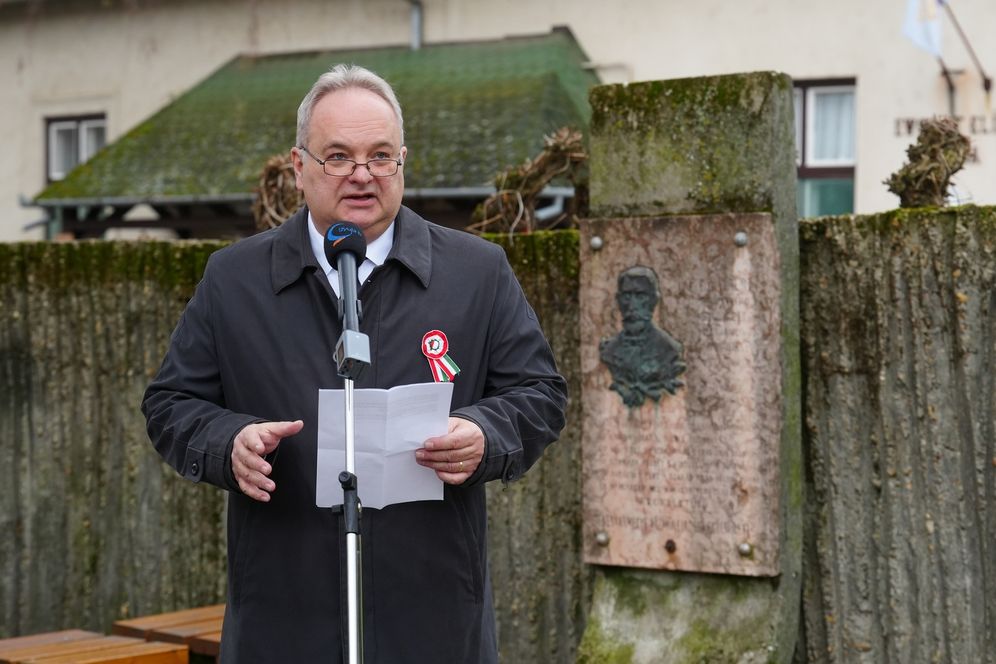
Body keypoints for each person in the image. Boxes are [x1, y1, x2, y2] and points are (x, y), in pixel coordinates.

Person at [141, 63, 567, 663]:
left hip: (433, 617)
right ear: (299, 167)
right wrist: (227, 443)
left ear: (403, 163)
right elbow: (170, 404)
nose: (362, 175)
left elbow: (541, 393)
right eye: (338, 157)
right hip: (284, 616)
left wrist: (485, 435)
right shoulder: (234, 280)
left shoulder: (477, 272)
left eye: (381, 156)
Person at [599, 265, 685, 407]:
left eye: (640, 296)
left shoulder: (669, 349)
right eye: (627, 296)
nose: (632, 305)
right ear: (618, 300)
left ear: (654, 300)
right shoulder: (609, 351)